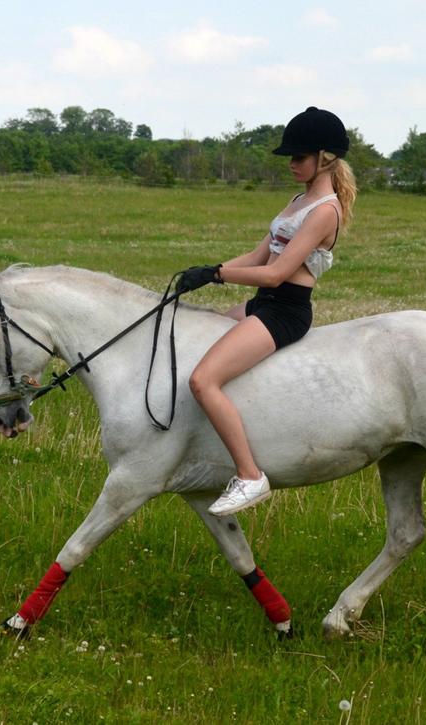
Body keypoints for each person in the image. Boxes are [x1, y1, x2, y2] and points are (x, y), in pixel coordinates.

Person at [176, 107, 357, 516]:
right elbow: (259, 254)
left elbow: (275, 273)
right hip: (262, 303)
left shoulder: (325, 209)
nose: (291, 164)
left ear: (324, 158)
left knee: (203, 379)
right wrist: (206, 272)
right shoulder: (298, 200)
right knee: (202, 336)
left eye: (298, 157)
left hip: (285, 312)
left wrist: (220, 275)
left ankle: (250, 475)